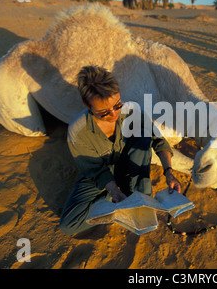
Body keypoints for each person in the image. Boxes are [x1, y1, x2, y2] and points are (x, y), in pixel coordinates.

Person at [59, 65, 182, 235]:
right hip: (101, 174)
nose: (114, 114)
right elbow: (95, 170)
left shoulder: (132, 111)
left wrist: (169, 171)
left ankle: (138, 198)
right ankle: (120, 202)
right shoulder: (78, 131)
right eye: (104, 112)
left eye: (117, 105)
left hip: (131, 166)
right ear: (87, 105)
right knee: (69, 224)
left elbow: (158, 140)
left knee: (143, 135)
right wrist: (114, 191)